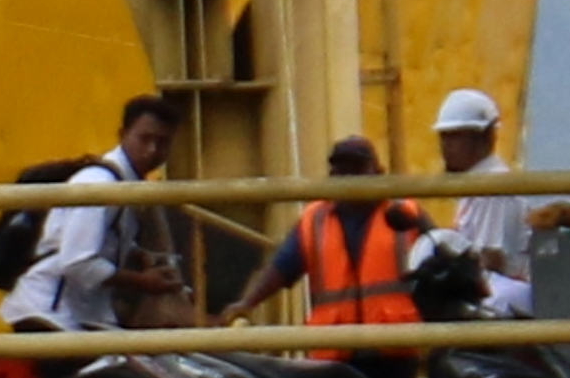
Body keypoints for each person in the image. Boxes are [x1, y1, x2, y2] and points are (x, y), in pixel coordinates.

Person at [0, 94, 174, 337]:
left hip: (80, 315)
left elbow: (105, 239)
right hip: (49, 314)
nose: (152, 150)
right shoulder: (99, 183)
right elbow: (78, 262)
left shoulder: (126, 183)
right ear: (123, 135)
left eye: (162, 142)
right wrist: (142, 281)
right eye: (144, 139)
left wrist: (138, 254)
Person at [229, 136, 434, 340]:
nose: (349, 178)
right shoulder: (315, 220)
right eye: (341, 171)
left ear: (378, 172)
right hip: (335, 349)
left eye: (356, 169)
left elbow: (441, 256)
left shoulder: (406, 212)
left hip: (394, 347)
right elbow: (281, 268)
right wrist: (247, 303)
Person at [416, 87, 538, 317]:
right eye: (444, 137)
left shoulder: (493, 187)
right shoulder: (476, 186)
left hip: (502, 306)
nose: (446, 147)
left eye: (456, 137)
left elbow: (492, 261)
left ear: (484, 137)